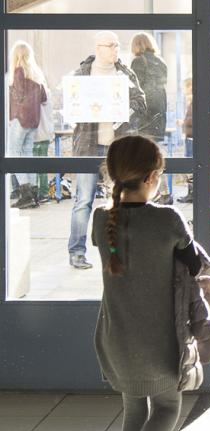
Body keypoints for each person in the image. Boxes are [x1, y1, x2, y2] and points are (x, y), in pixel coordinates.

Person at [92, 134, 205, 431]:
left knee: (133, 407)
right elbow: (194, 264)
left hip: (115, 340)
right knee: (168, 407)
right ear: (155, 175)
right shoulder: (167, 219)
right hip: (158, 342)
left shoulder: (99, 221)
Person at [68, 31, 148, 271]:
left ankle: (120, 251)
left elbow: (141, 103)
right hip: (87, 146)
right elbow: (70, 103)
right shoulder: (82, 74)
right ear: (98, 47)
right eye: (110, 46)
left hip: (116, 146)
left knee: (121, 198)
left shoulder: (124, 72)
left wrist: (124, 113)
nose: (116, 50)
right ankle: (77, 252)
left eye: (117, 45)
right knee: (83, 199)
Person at [129, 32, 171, 204]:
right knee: (157, 153)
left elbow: (136, 89)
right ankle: (165, 191)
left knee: (144, 155)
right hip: (159, 113)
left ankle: (154, 192)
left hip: (145, 114)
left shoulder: (138, 62)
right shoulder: (161, 62)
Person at [8, 40, 48, 210]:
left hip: (20, 119)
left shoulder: (19, 72)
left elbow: (17, 95)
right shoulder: (36, 75)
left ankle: (25, 194)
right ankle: (33, 192)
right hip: (33, 121)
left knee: (14, 154)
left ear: (16, 56)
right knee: (27, 154)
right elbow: (44, 98)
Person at [177, 76, 193, 204]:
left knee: (190, 165)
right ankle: (191, 192)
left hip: (192, 138)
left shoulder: (193, 101)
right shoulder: (190, 101)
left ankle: (192, 192)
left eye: (185, 87)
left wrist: (184, 123)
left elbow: (192, 120)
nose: (184, 90)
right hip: (189, 136)